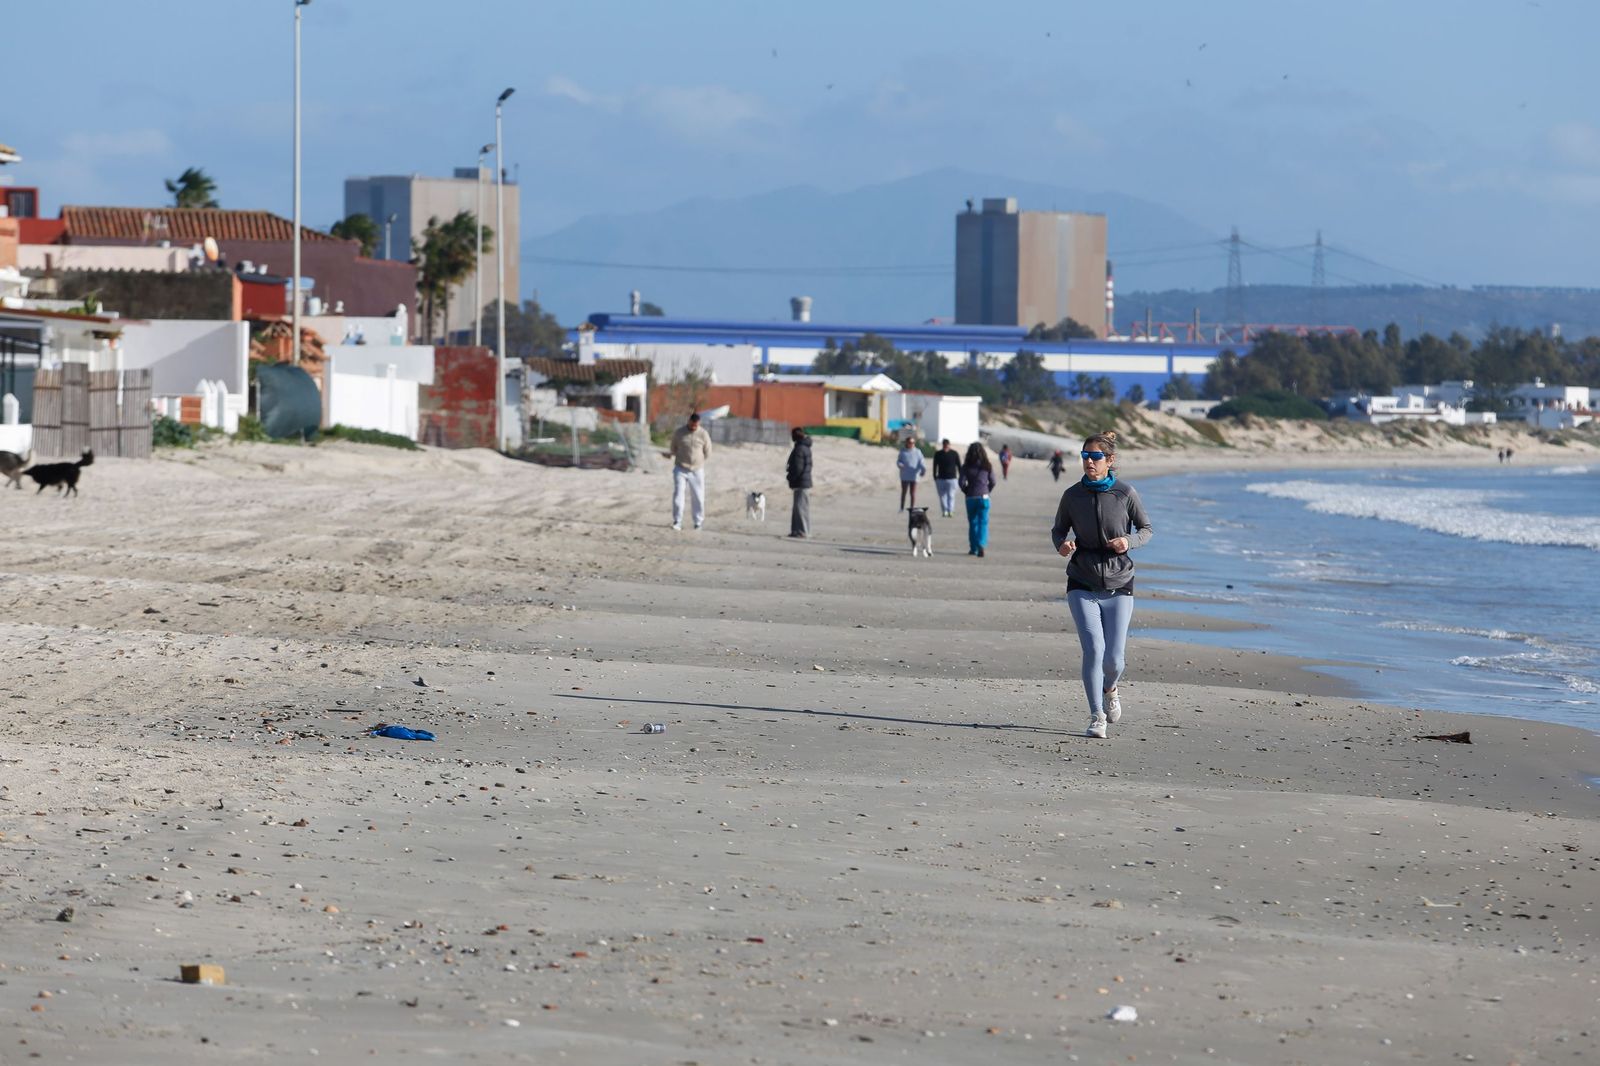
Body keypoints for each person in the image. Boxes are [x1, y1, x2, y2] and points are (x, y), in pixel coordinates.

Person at [1050, 431, 1153, 739]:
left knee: (1114, 660)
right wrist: (1062, 545)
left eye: (1095, 457)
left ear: (1110, 460)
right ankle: (1097, 716)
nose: (1089, 463)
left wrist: (1129, 541)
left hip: (1120, 582)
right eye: (1085, 457)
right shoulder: (1072, 495)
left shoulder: (1125, 493)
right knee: (1094, 650)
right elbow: (1058, 530)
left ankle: (1110, 688)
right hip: (1082, 581)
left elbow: (1146, 529)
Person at [670, 412, 712, 531]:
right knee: (678, 495)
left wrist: (699, 461)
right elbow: (673, 448)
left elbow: (708, 451)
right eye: (692, 424)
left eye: (696, 425)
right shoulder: (679, 433)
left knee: (698, 496)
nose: (694, 427)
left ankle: (698, 522)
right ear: (689, 421)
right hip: (681, 468)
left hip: (697, 470)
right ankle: (677, 521)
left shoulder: (703, 434)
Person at [958, 441, 996, 557]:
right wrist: (987, 490)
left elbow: (961, 483)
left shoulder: (966, 466)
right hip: (984, 497)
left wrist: (967, 491)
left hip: (971, 497)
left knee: (973, 523)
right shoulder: (987, 465)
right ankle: (981, 544)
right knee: (983, 522)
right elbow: (993, 481)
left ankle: (973, 548)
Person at [786, 426, 812, 538]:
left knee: (801, 507)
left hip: (801, 482)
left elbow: (798, 468)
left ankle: (803, 531)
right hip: (803, 482)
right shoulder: (804, 447)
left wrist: (791, 478)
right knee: (798, 507)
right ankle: (796, 530)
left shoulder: (800, 449)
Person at [931, 438, 962, 517]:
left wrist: (961, 475)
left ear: (949, 445)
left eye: (947, 445)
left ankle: (950, 510)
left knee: (951, 495)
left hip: (952, 478)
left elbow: (959, 465)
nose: (946, 446)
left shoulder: (954, 453)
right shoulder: (938, 454)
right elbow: (935, 465)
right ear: (943, 445)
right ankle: (945, 510)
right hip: (941, 478)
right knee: (942, 496)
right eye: (944, 445)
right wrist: (934, 476)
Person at [896, 436, 926, 511]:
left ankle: (912, 508)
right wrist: (900, 464)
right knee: (904, 492)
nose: (911, 444)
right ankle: (901, 507)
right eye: (910, 442)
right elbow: (899, 461)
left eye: (913, 442)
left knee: (912, 493)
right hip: (905, 475)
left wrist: (923, 470)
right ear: (906, 443)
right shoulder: (903, 451)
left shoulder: (918, 451)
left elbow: (921, 462)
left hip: (914, 475)